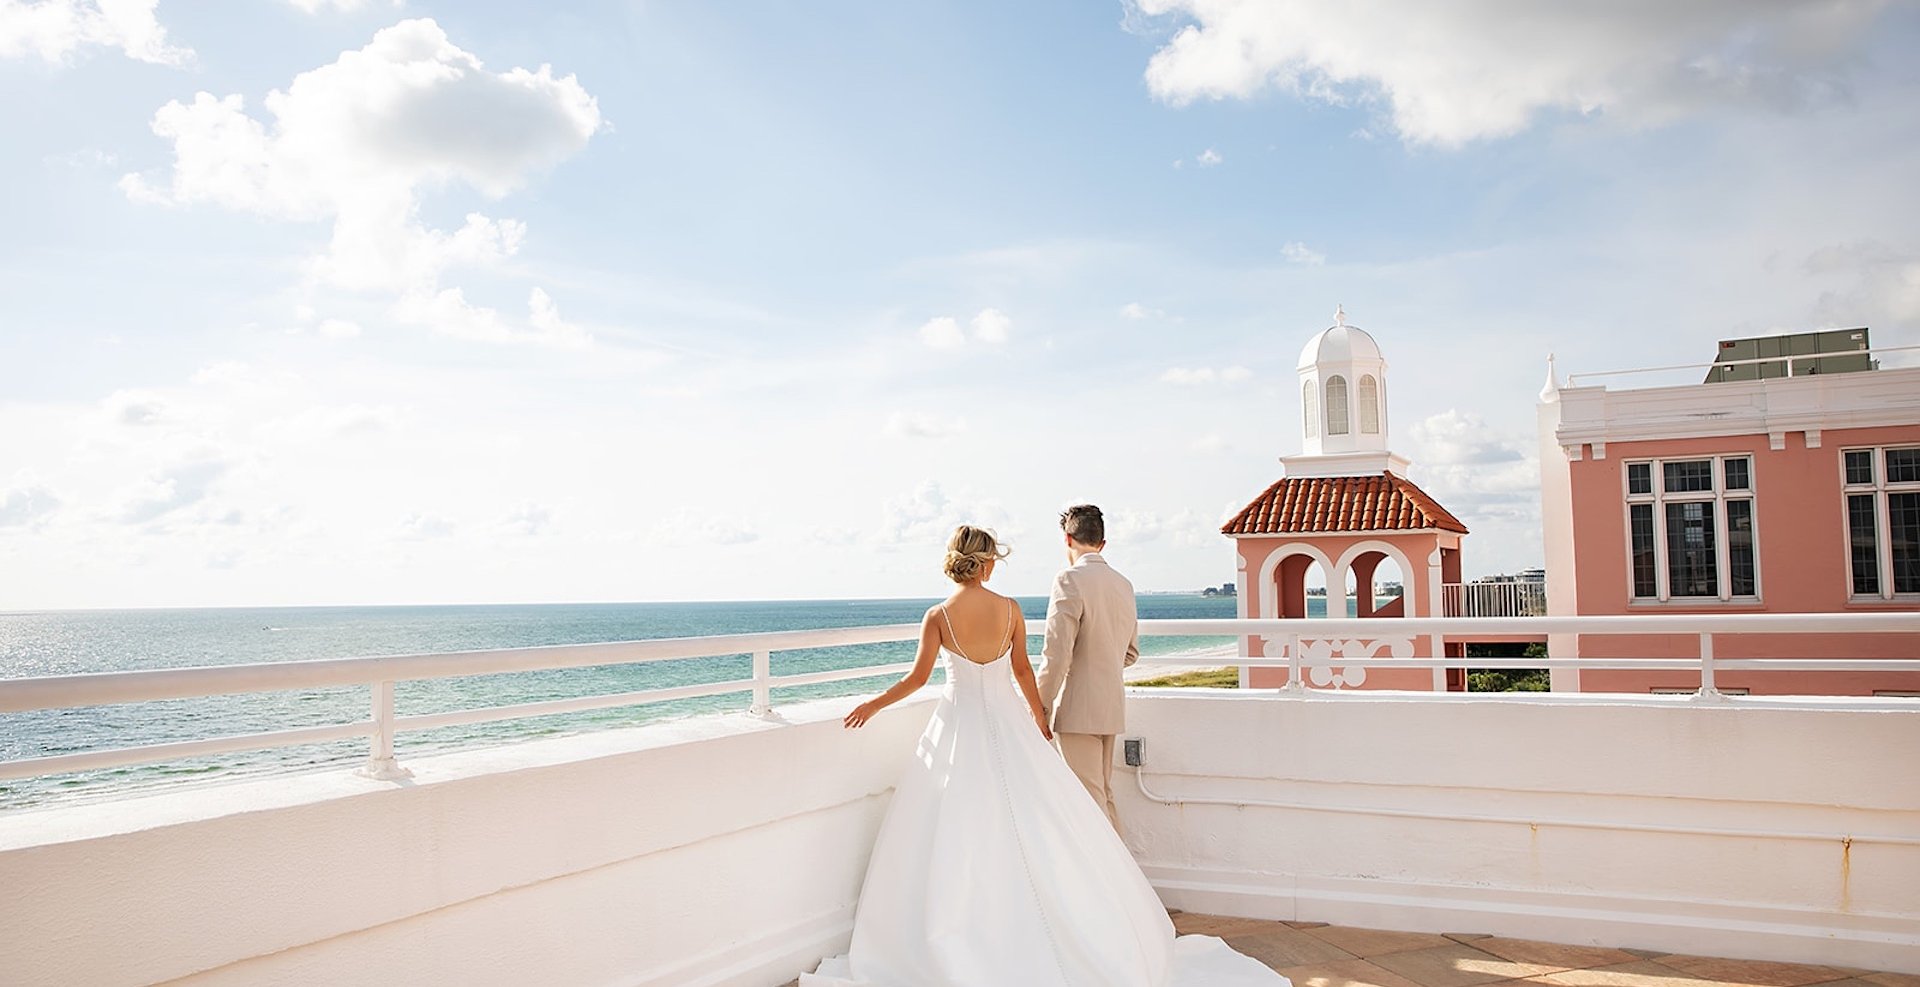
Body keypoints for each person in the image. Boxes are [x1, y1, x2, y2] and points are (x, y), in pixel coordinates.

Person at [803, 525, 1288, 987]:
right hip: (1009, 724)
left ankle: (965, 927)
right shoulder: (1011, 610)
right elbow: (1022, 674)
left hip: (957, 730)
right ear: (987, 564)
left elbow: (915, 680)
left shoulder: (938, 616)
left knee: (956, 827)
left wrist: (871, 704)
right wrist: (1038, 720)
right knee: (1043, 820)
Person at [1036, 503, 1138, 833]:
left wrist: (1041, 708)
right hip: (1111, 704)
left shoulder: (1069, 579)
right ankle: (1124, 882)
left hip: (1078, 706)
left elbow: (1056, 651)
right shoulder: (1123, 584)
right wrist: (1102, 664)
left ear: (1067, 539)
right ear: (1102, 543)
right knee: (1103, 795)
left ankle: (1116, 883)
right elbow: (1131, 653)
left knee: (1088, 803)